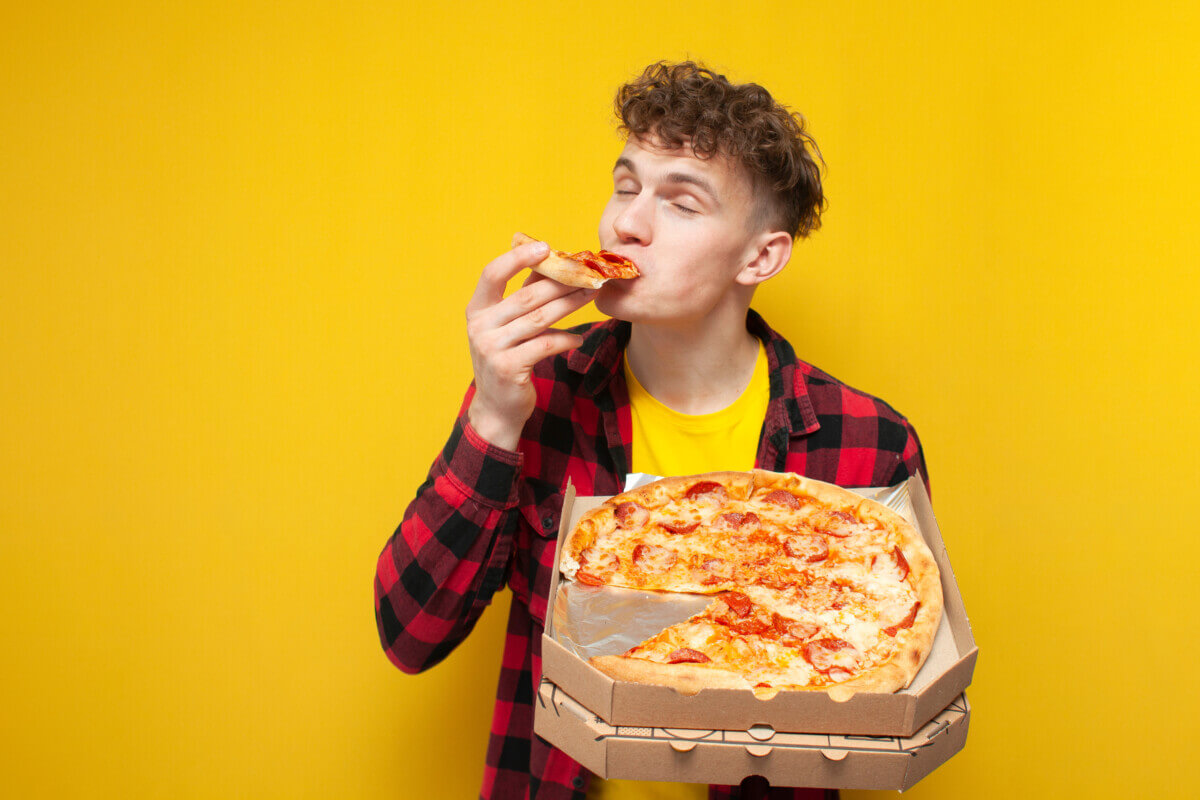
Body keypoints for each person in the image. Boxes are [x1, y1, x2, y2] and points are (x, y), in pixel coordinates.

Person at [375, 60, 927, 800]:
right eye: (627, 186)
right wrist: (493, 420)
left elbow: (879, 702)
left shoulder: (869, 441)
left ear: (761, 256)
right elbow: (409, 636)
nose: (626, 224)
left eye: (682, 202)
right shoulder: (534, 398)